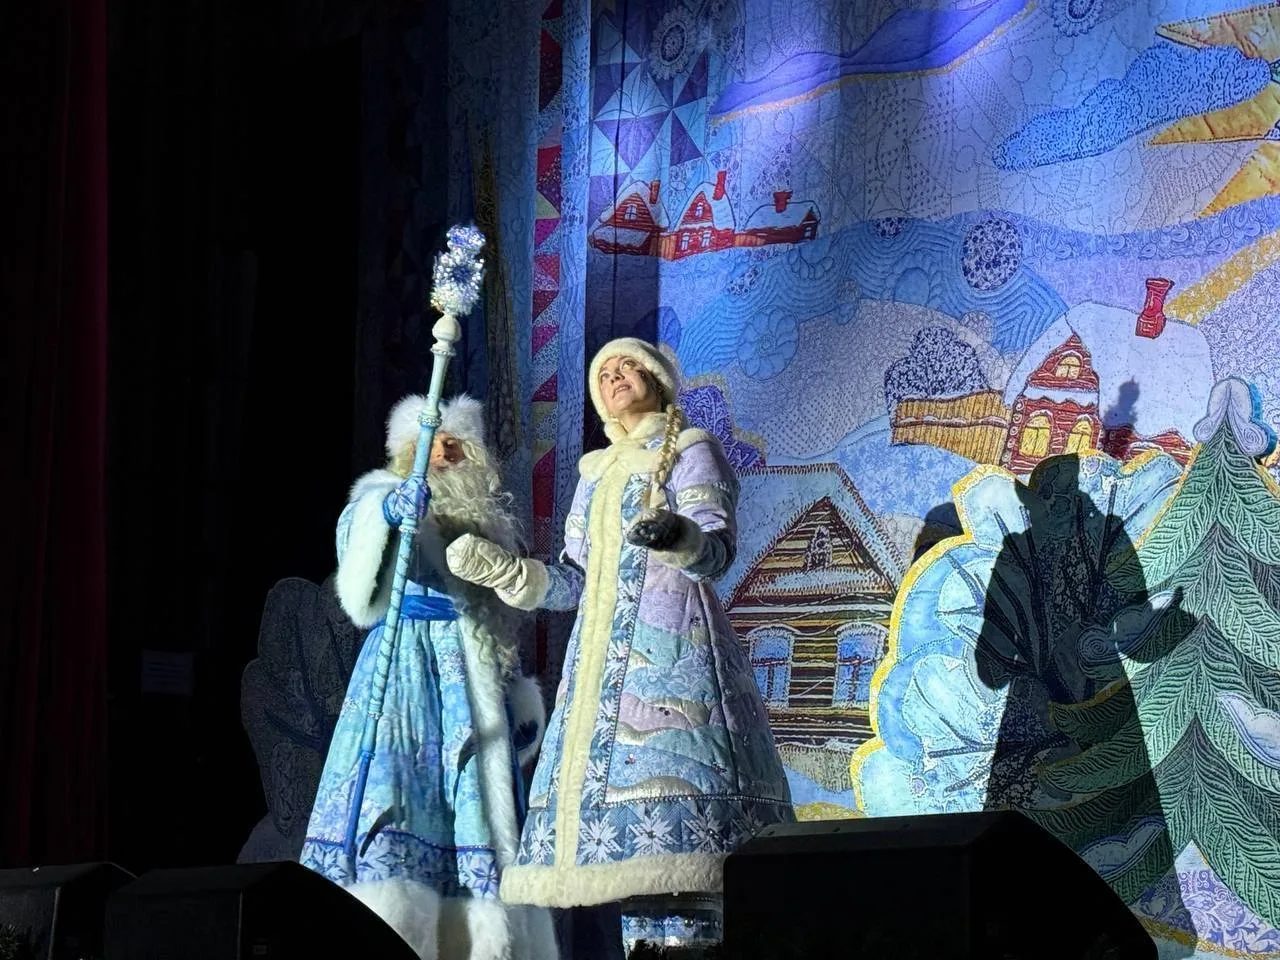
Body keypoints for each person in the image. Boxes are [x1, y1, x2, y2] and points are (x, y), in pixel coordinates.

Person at [445, 339, 794, 954]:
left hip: (674, 661)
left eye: (628, 366)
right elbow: (575, 581)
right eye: (603, 372)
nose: (615, 376)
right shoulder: (596, 472)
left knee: (690, 865)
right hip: (601, 680)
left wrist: (678, 536)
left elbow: (714, 553)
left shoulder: (690, 450)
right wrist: (508, 572)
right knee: (632, 881)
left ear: (656, 380)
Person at [299, 394, 559, 960]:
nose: (444, 451)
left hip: (471, 677)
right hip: (405, 670)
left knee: (473, 804)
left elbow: (497, 622)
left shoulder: (486, 523)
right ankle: (390, 931)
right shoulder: (379, 498)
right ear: (406, 450)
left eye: (455, 443)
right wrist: (390, 516)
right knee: (395, 792)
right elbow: (359, 593)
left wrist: (514, 693)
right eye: (431, 442)